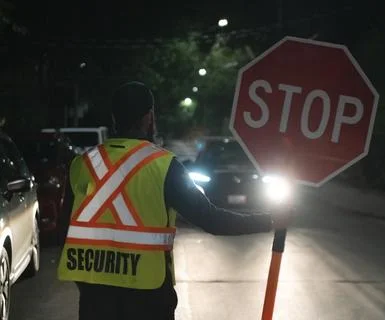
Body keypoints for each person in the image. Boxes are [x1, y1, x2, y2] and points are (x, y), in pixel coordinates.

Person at [57, 81, 291, 320]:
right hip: (148, 299)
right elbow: (211, 219)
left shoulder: (82, 165)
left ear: (114, 117)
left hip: (95, 299)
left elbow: (63, 231)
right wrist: (268, 221)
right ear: (149, 117)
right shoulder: (164, 165)